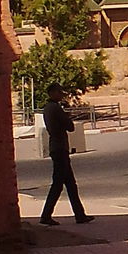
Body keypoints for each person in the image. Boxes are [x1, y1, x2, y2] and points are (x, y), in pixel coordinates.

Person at [39, 84, 91, 226]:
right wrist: (67, 117)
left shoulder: (48, 108)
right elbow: (70, 126)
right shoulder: (55, 108)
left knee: (70, 184)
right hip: (60, 149)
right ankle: (46, 215)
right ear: (52, 93)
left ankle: (80, 215)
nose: (61, 95)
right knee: (58, 184)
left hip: (57, 148)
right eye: (59, 92)